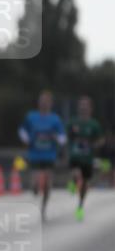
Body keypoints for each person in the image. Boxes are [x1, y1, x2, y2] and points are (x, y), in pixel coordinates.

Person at [18, 90, 67, 221]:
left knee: (48, 184)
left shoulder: (55, 119)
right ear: (38, 102)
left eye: (46, 101)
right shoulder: (31, 117)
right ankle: (34, 186)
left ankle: (43, 208)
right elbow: (22, 130)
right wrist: (26, 139)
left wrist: (57, 138)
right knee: (34, 178)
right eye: (42, 101)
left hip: (50, 155)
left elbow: (63, 137)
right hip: (35, 154)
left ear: (50, 104)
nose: (44, 103)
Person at [66, 96, 104, 220]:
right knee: (76, 173)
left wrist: (95, 144)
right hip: (75, 156)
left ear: (90, 108)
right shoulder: (73, 122)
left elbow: (100, 139)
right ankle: (73, 182)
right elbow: (66, 136)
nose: (83, 107)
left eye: (86, 105)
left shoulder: (94, 124)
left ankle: (80, 207)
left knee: (85, 184)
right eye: (81, 104)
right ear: (78, 107)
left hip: (87, 159)